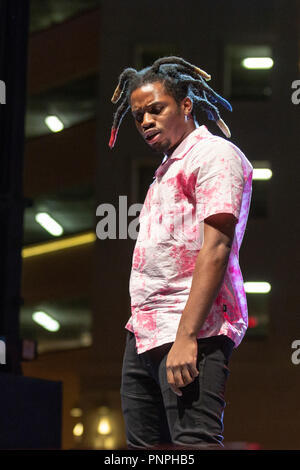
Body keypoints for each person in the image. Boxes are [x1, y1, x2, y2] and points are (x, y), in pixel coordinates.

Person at [109, 56, 253, 449]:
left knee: (195, 444)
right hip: (144, 331)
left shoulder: (214, 155)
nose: (146, 121)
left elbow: (217, 246)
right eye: (139, 116)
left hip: (193, 329)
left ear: (186, 105)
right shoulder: (166, 169)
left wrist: (186, 336)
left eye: (157, 109)